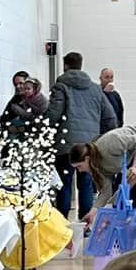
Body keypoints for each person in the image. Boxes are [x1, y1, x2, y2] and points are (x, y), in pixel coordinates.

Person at [48, 51, 116, 218]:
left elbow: (53, 115)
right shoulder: (95, 89)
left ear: (65, 66)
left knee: (64, 184)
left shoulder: (61, 86)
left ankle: (61, 222)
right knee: (86, 184)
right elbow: (110, 117)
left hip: (65, 145)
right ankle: (86, 221)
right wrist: (103, 140)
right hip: (89, 146)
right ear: (81, 65)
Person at [90, 122, 136, 202]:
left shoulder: (110, 143)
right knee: (121, 186)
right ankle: (120, 208)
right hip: (132, 150)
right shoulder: (100, 159)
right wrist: (98, 208)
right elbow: (107, 191)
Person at [0, 70, 47, 140]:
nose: (18, 86)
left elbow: (43, 120)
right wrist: (8, 127)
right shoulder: (15, 100)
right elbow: (3, 119)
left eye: (21, 83)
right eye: (15, 84)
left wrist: (25, 128)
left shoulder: (39, 100)